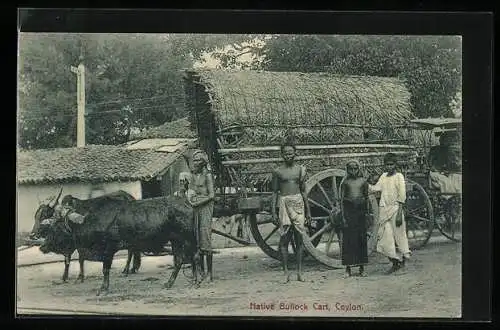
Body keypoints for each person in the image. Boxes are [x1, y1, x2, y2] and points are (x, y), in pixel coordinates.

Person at [271, 139, 312, 283]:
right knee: (284, 240)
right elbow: (275, 192)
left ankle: (300, 272)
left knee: (299, 239)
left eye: (291, 153)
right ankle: (285, 272)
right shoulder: (277, 171)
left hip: (298, 203)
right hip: (283, 203)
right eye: (285, 153)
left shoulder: (300, 170)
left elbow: (304, 191)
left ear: (295, 153)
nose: (288, 155)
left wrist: (308, 211)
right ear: (282, 155)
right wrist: (274, 212)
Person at [368, 153, 411, 274]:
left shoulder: (399, 177)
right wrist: (366, 185)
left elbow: (402, 195)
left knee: (400, 235)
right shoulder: (383, 176)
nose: (389, 167)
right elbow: (376, 188)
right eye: (387, 164)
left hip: (396, 209)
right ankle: (394, 262)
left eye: (391, 164)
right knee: (384, 236)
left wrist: (399, 213)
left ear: (395, 165)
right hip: (384, 209)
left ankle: (403, 262)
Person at [188, 150, 215, 281]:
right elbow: (192, 192)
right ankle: (201, 271)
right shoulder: (194, 177)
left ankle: (210, 273)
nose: (195, 162)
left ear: (203, 162)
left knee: (205, 238)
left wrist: (198, 203)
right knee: (196, 238)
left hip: (205, 208)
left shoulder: (207, 176)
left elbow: (211, 195)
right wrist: (191, 200)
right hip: (196, 207)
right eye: (194, 160)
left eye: (198, 160)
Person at [339, 160, 369, 278]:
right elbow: (341, 201)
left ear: (358, 169)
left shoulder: (363, 182)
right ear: (347, 170)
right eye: (350, 169)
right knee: (349, 240)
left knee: (361, 239)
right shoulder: (345, 183)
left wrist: (367, 215)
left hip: (360, 212)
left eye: (355, 169)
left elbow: (366, 198)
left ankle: (362, 268)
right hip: (349, 212)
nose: (353, 171)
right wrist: (343, 217)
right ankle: (348, 268)